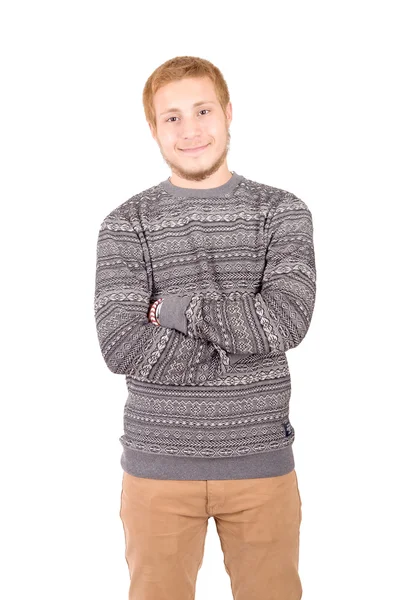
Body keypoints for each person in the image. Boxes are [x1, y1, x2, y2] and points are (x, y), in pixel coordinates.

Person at [94, 55, 317, 600]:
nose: (190, 129)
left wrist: (176, 310)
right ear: (153, 129)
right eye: (171, 117)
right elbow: (121, 344)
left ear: (228, 113)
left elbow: (288, 319)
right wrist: (238, 341)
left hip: (261, 465)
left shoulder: (282, 212)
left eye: (202, 110)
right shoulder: (126, 223)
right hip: (157, 469)